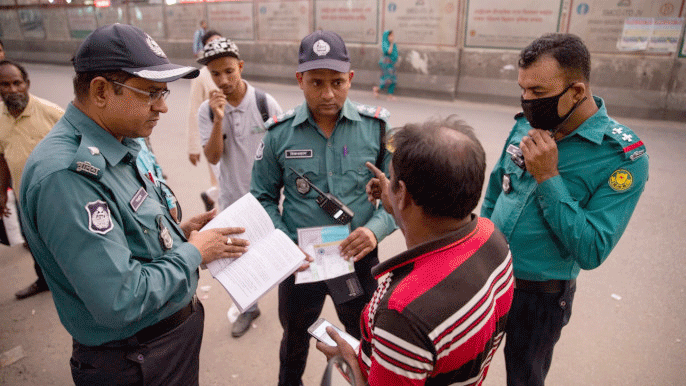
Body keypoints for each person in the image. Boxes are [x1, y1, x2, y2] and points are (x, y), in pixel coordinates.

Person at [19, 24, 251, 385]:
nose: (163, 106)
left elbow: (130, 230)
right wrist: (193, 254)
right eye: (150, 93)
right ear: (100, 91)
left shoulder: (121, 139)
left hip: (161, 347)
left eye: (164, 91)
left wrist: (179, 233)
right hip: (135, 361)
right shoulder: (67, 175)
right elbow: (119, 299)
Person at [480, 33, 649, 386]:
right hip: (489, 277)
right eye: (522, 89)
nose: (527, 101)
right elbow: (496, 190)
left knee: (524, 379)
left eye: (538, 92)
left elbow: (592, 249)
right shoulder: (526, 123)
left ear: (576, 91)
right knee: (462, 367)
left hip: (540, 297)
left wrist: (549, 178)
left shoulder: (621, 156)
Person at [316, 117, 514, 385]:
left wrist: (351, 365)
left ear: (404, 195)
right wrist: (398, 206)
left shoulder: (402, 314)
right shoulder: (492, 238)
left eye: (392, 180)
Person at [250, 30, 396, 386]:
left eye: (336, 82)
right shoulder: (278, 135)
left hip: (357, 257)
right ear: (300, 80)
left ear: (350, 78)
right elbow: (262, 197)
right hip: (301, 262)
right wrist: (285, 243)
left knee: (364, 338)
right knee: (295, 339)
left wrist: (373, 231)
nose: (328, 93)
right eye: (316, 82)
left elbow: (399, 196)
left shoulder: (376, 128)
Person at [196, 36, 282, 338]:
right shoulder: (206, 112)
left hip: (267, 197)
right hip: (233, 197)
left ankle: (289, 307)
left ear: (240, 67)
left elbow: (281, 148)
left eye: (229, 71)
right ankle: (249, 308)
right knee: (238, 259)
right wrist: (219, 118)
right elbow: (213, 156)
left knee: (275, 252)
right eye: (216, 74)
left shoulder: (263, 102)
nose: (224, 80)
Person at [0, 59, 63, 299]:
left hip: (57, 194)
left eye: (17, 83)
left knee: (65, 241)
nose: (13, 89)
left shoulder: (51, 112)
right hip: (22, 195)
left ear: (27, 84)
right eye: (5, 84)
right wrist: (1, 194)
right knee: (35, 243)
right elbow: (2, 159)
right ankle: (44, 280)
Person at [187, 29, 222, 211]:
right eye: (211, 43)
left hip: (233, 134)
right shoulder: (201, 76)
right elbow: (194, 110)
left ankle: (209, 196)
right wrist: (194, 147)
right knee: (220, 178)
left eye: (219, 41)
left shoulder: (230, 71)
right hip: (211, 136)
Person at [372, 30, 398, 101]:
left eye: (393, 35)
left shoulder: (392, 44)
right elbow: (388, 52)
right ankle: (377, 89)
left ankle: (390, 95)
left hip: (391, 64)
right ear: (387, 36)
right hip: (386, 64)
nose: (392, 37)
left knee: (393, 79)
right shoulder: (385, 43)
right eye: (391, 35)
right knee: (387, 79)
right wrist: (392, 43)